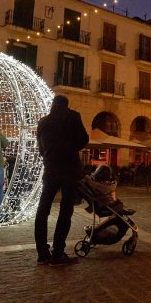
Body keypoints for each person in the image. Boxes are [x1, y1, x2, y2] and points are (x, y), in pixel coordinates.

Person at [35, 95, 89, 266]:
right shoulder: (73, 116)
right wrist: (69, 149)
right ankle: (58, 253)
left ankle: (42, 254)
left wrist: (50, 156)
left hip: (50, 169)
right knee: (65, 212)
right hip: (69, 169)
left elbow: (40, 147)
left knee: (43, 211)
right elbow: (83, 139)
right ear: (67, 105)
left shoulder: (43, 122)